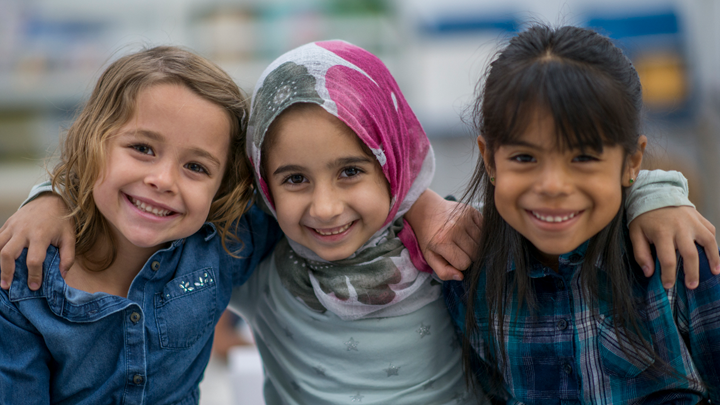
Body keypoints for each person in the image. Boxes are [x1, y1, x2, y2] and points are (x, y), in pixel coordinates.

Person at [0, 40, 717, 403]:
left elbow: (563, 190)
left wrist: (657, 193)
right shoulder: (262, 245)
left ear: (396, 164)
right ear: (259, 186)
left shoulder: (455, 245)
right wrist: (51, 194)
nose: (325, 207)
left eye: (353, 170)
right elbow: (139, 188)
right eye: (292, 180)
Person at [0, 45, 462, 405]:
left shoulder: (225, 241)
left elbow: (326, 198)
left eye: (197, 167)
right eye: (142, 148)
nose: (162, 180)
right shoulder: (23, 278)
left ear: (228, 188)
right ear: (89, 143)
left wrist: (420, 205)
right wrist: (50, 197)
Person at [443, 25, 720, 404]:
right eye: (525, 158)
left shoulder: (680, 260)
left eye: (583, 158)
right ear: (490, 159)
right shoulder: (465, 272)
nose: (553, 186)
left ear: (631, 161)